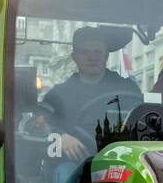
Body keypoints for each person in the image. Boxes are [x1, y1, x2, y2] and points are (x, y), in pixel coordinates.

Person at [41, 26, 142, 162]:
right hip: (75, 165)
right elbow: (39, 123)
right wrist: (60, 137)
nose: (92, 57)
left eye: (98, 51)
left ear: (106, 55)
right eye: (84, 51)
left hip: (122, 162)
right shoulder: (57, 95)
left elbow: (142, 122)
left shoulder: (128, 90)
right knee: (63, 174)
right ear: (74, 57)